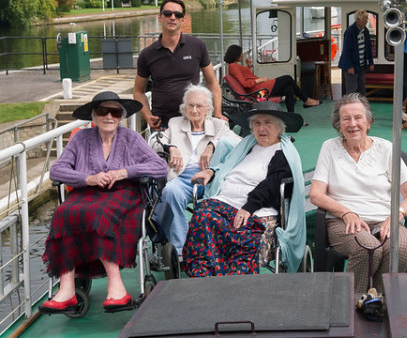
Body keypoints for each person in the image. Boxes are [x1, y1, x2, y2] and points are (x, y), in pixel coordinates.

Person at [39, 92, 168, 313]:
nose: (109, 116)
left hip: (123, 192)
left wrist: (124, 172)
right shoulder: (81, 138)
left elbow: (160, 167)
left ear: (121, 117)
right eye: (102, 111)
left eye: (115, 112)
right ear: (94, 116)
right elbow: (56, 171)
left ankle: (116, 287)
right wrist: (88, 178)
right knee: (62, 213)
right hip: (86, 192)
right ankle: (67, 289)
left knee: (99, 214)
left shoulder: (131, 138)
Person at [309, 94, 407, 293]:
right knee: (367, 248)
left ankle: (377, 303)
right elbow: (316, 194)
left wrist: (398, 214)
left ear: (368, 122)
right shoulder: (329, 148)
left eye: (358, 117)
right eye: (346, 119)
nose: (352, 124)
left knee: (402, 250)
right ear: (339, 125)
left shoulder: (386, 149)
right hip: (343, 221)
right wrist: (346, 213)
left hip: (386, 220)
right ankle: (351, 304)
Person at [182, 101, 306, 276]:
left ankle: (234, 279)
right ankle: (206, 276)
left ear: (280, 127)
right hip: (223, 202)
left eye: (268, 123)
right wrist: (211, 171)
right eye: (257, 123)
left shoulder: (283, 153)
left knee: (240, 232)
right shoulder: (246, 145)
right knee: (202, 213)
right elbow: (226, 164)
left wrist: (249, 207)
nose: (261, 128)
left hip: (256, 210)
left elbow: (272, 183)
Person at [150, 85, 241, 255]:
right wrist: (171, 148)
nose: (194, 110)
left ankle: (217, 248)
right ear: (184, 107)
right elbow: (154, 143)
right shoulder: (175, 123)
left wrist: (213, 144)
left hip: (212, 179)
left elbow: (238, 142)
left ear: (208, 109)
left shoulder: (219, 125)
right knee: (169, 192)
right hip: (182, 177)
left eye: (199, 106)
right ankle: (180, 250)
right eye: (190, 105)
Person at [133, 0, 225, 130]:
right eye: (167, 13)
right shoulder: (147, 54)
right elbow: (138, 91)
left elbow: (212, 83)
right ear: (160, 17)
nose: (172, 17)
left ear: (183, 19)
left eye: (177, 14)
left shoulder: (197, 46)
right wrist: (148, 116)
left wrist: (217, 112)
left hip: (195, 119)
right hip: (163, 123)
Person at [224, 44, 319, 111]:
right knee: (288, 78)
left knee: (289, 89)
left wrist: (249, 67)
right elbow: (245, 84)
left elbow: (248, 78)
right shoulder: (233, 66)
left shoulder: (234, 66)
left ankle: (291, 118)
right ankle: (306, 100)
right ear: (236, 54)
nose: (241, 55)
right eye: (240, 53)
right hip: (259, 92)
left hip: (259, 90)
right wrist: (261, 80)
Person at [339, 10, 374, 95]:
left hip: (361, 64)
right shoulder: (350, 32)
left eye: (367, 20)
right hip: (351, 65)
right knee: (352, 89)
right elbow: (347, 51)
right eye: (365, 20)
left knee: (362, 88)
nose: (366, 22)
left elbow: (368, 48)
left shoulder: (365, 31)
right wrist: (350, 66)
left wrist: (371, 62)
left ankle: (362, 106)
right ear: (358, 20)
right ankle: (350, 107)